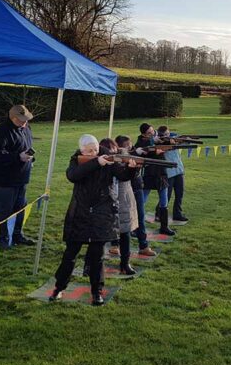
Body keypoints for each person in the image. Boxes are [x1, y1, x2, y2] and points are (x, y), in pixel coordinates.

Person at [50, 135, 136, 306]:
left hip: (102, 215)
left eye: (95, 150)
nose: (94, 153)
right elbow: (73, 175)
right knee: (70, 256)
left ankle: (97, 292)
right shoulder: (77, 160)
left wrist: (133, 168)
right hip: (80, 214)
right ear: (81, 151)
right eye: (89, 151)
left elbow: (123, 175)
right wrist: (97, 162)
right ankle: (59, 288)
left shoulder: (109, 159)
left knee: (97, 258)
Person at [0, 105, 35, 249]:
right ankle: (0, 240)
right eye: (22, 120)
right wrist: (17, 157)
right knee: (3, 212)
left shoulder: (26, 129)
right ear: (13, 118)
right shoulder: (1, 132)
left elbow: (26, 146)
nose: (25, 123)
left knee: (20, 209)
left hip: (22, 178)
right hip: (4, 180)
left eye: (26, 120)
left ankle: (17, 235)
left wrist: (30, 157)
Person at [102, 137, 138, 275]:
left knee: (125, 233)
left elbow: (128, 176)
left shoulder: (124, 158)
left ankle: (125, 264)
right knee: (98, 238)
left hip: (123, 201)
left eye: (113, 152)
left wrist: (132, 168)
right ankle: (90, 265)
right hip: (105, 202)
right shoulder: (98, 162)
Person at [135, 123, 175, 236]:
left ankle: (164, 227)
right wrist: (154, 149)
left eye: (153, 131)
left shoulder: (156, 138)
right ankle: (136, 227)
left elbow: (166, 143)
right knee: (142, 201)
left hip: (161, 173)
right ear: (143, 134)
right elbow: (143, 150)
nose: (152, 133)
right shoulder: (141, 142)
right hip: (149, 173)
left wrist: (170, 142)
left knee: (164, 201)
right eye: (149, 132)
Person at [157, 126, 188, 222]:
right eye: (165, 134)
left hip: (179, 170)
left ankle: (177, 214)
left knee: (180, 194)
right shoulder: (159, 142)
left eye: (168, 133)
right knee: (167, 195)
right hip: (168, 172)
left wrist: (181, 139)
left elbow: (185, 141)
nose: (167, 136)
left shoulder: (174, 138)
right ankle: (158, 213)